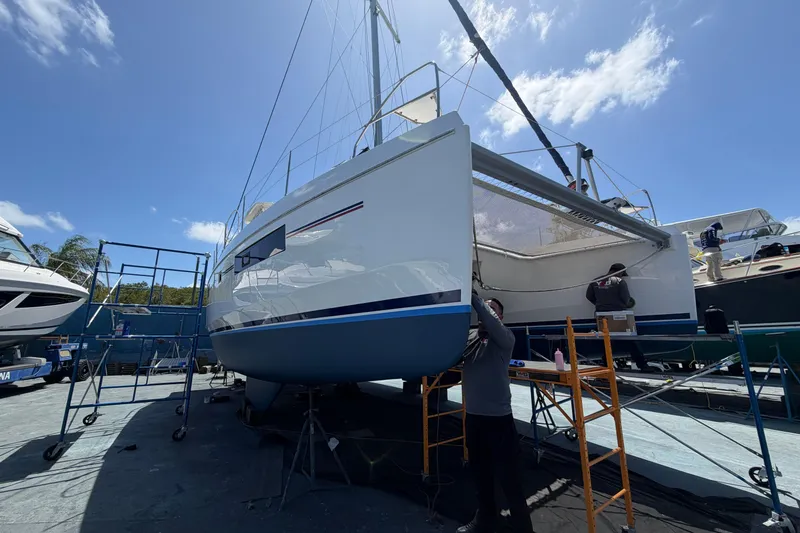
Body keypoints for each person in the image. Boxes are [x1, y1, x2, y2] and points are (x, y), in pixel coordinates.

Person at [457, 290, 533, 533]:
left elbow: (489, 320)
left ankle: (523, 527)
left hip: (499, 420)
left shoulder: (505, 338)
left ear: (499, 316)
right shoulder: (469, 338)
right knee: (480, 474)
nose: (485, 314)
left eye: (492, 310)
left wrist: (475, 298)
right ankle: (485, 518)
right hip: (475, 418)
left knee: (510, 478)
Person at [585, 263, 651, 372]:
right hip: (619, 314)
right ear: (619, 271)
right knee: (631, 341)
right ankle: (642, 365)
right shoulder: (620, 282)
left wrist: (600, 304)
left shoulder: (595, 281)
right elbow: (626, 299)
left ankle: (606, 365)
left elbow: (589, 296)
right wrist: (625, 304)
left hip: (602, 316)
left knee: (607, 341)